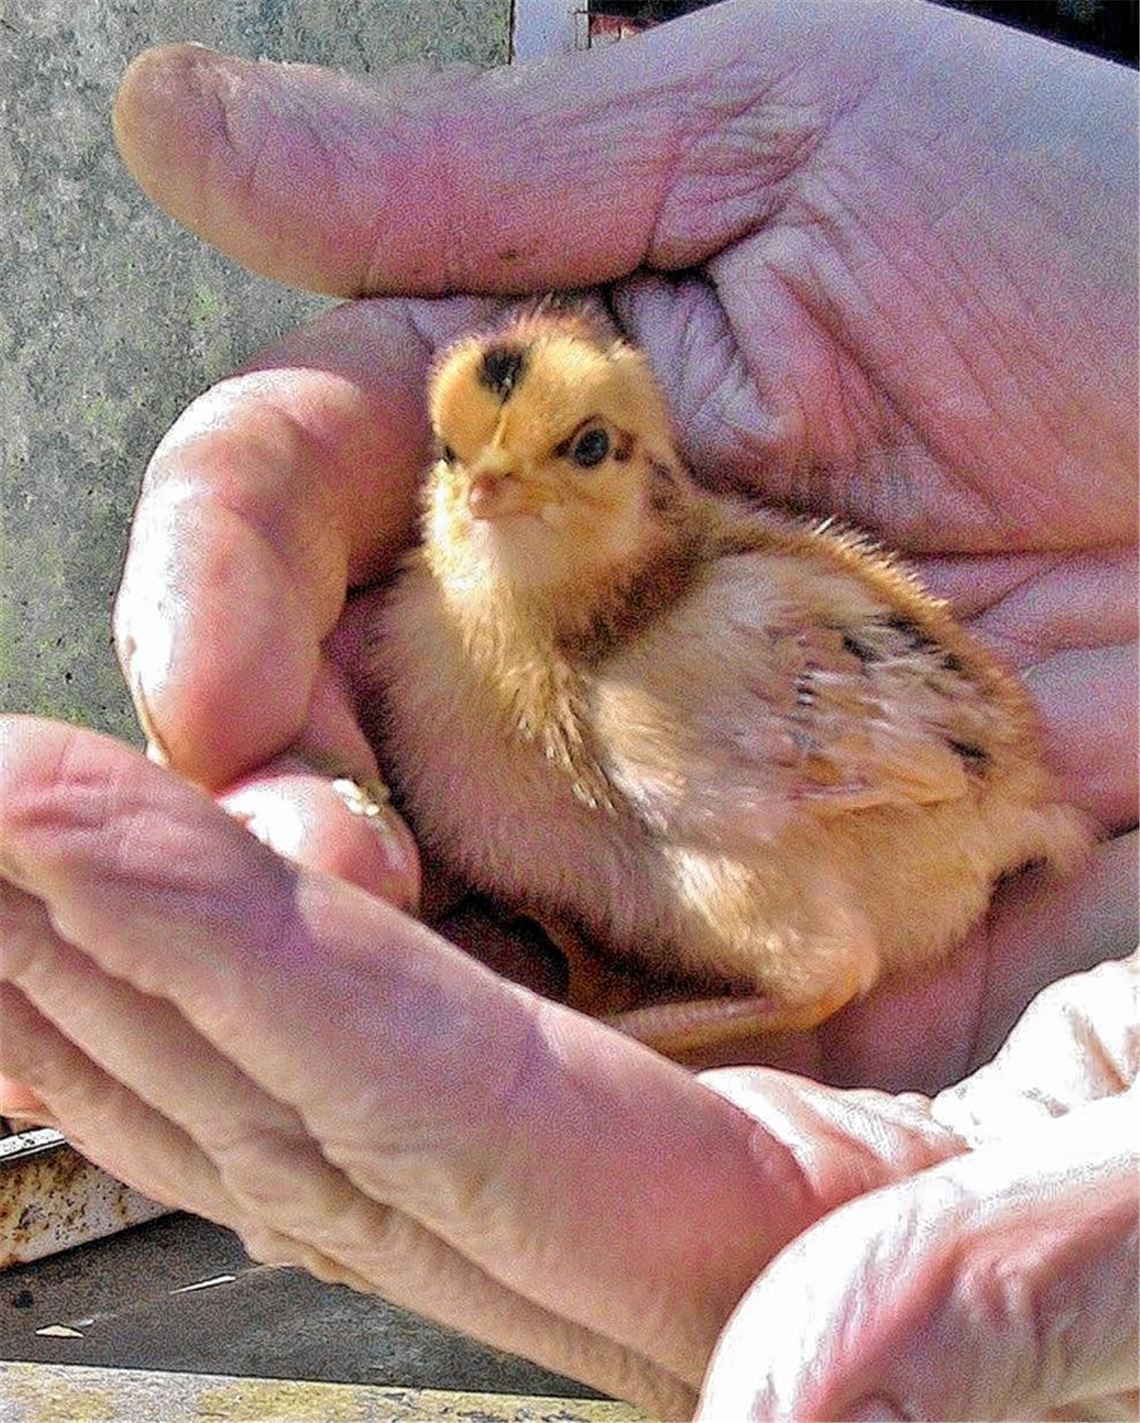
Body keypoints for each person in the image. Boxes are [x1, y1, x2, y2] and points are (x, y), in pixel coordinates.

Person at [1, 1, 1136, 1415]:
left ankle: (633, 1027)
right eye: (462, 455)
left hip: (919, 856)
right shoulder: (431, 653)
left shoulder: (683, 663)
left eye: (574, 452)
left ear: (652, 481)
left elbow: (959, 770)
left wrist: (624, 1043)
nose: (497, 483)